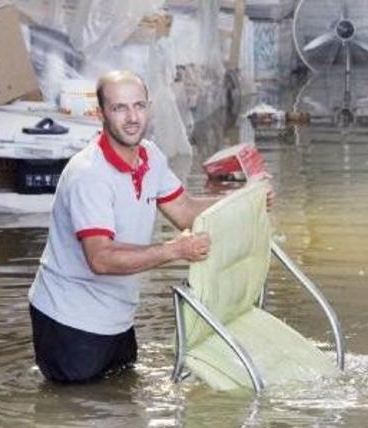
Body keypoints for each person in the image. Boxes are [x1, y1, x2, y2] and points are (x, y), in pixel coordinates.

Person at [28, 70, 229, 383]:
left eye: (139, 106)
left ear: (149, 108)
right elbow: (101, 258)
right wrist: (175, 250)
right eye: (119, 108)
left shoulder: (150, 156)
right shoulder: (89, 174)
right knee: (75, 407)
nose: (132, 118)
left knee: (122, 397)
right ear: (101, 114)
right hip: (69, 320)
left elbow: (185, 211)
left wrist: (245, 198)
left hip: (117, 317)